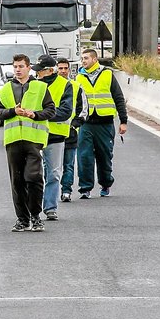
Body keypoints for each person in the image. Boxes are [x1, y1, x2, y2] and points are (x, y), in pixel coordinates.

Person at [0, 54, 55, 233]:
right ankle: (22, 218)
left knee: (33, 177)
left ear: (29, 68)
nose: (18, 69)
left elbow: (51, 110)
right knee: (17, 181)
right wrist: (13, 111)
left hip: (33, 139)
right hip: (13, 140)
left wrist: (34, 114)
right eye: (15, 66)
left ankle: (35, 215)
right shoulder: (4, 90)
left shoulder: (40, 87)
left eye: (21, 66)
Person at [76, 49, 128, 198]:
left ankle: (105, 184)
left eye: (86, 58)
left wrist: (123, 121)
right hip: (86, 123)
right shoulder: (79, 77)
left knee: (104, 156)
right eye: (82, 58)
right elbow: (76, 101)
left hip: (104, 123)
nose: (83, 61)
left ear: (94, 59)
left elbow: (118, 97)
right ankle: (85, 188)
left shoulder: (107, 74)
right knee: (84, 156)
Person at [33, 55, 73, 221]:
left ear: (49, 70)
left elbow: (65, 112)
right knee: (34, 174)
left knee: (54, 174)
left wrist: (41, 114)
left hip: (55, 136)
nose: (37, 74)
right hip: (34, 134)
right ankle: (34, 207)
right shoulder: (32, 85)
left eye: (40, 71)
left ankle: (50, 207)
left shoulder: (65, 85)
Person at [56, 58, 85, 203]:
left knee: (68, 165)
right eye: (60, 68)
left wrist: (75, 124)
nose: (62, 71)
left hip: (70, 133)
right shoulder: (49, 86)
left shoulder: (76, 86)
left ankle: (66, 191)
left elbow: (83, 109)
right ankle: (51, 191)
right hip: (52, 133)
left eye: (65, 68)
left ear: (69, 69)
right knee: (51, 166)